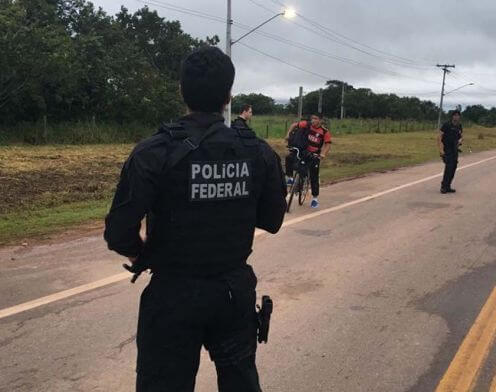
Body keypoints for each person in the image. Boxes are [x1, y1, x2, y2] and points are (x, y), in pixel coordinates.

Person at [103, 46, 287, 392]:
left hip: (173, 294)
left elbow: (118, 232)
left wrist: (139, 255)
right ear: (229, 95)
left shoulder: (153, 151)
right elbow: (273, 220)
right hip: (233, 294)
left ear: (181, 90)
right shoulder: (257, 151)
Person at [284, 114, 331, 208]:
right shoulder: (306, 124)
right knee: (289, 158)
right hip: (303, 151)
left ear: (320, 120)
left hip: (314, 155)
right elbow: (294, 125)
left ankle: (314, 199)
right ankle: (290, 178)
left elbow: (327, 144)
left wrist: (323, 154)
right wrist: (288, 135)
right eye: (312, 118)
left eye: (315, 118)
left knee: (314, 175)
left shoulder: (324, 132)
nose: (313, 120)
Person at [438, 110, 463, 194]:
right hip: (447, 148)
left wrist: (460, 140)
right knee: (449, 167)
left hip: (455, 149)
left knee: (454, 167)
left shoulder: (459, 126)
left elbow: (461, 136)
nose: (456, 117)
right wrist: (441, 150)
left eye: (458, 115)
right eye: (455, 115)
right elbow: (439, 137)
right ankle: (443, 187)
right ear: (452, 116)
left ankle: (448, 186)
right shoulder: (447, 125)